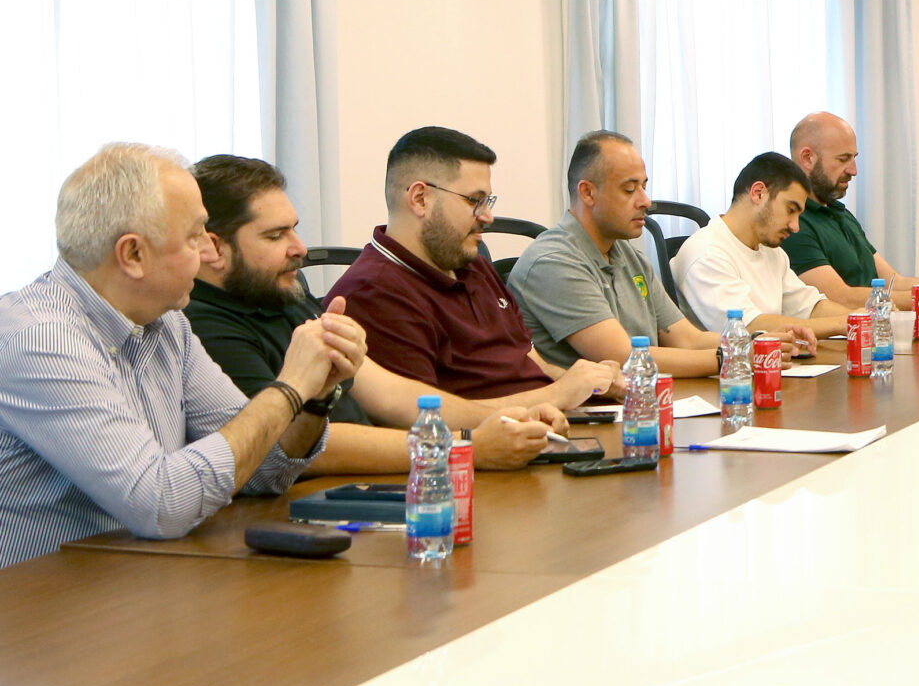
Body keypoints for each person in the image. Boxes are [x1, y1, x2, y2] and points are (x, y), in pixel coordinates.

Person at [0, 145, 354, 567]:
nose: (208, 252)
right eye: (194, 236)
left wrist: (315, 396)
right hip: (47, 597)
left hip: (141, 578)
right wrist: (290, 387)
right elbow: (161, 505)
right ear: (133, 254)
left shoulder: (167, 323)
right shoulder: (40, 340)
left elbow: (265, 469)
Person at [186, 154, 564, 474]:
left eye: (294, 231)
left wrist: (513, 416)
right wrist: (465, 447)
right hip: (304, 509)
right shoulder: (204, 327)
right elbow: (287, 449)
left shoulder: (281, 296)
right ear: (213, 248)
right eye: (275, 236)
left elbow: (390, 395)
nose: (299, 248)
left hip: (375, 482)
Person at [326, 127, 620, 406]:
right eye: (474, 201)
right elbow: (426, 420)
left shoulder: (473, 264)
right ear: (420, 199)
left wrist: (590, 384)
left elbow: (530, 364)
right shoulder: (374, 292)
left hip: (549, 425)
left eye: (487, 201)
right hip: (492, 440)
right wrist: (558, 395)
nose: (488, 216)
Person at [507, 131, 742, 381]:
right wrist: (730, 358)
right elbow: (624, 358)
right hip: (589, 404)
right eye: (629, 189)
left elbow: (686, 338)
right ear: (588, 193)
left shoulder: (629, 256)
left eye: (644, 187)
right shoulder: (553, 262)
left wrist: (754, 344)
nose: (646, 201)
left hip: (642, 397)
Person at [781, 111, 919, 309]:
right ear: (807, 158)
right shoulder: (793, 225)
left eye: (854, 158)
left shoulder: (840, 214)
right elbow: (839, 297)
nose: (853, 170)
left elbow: (894, 282)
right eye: (843, 159)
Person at [674, 152, 851, 339]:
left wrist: (858, 317)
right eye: (790, 210)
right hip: (734, 358)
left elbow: (810, 307)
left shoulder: (773, 253)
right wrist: (841, 324)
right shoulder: (706, 253)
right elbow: (748, 327)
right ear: (758, 193)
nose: (795, 226)